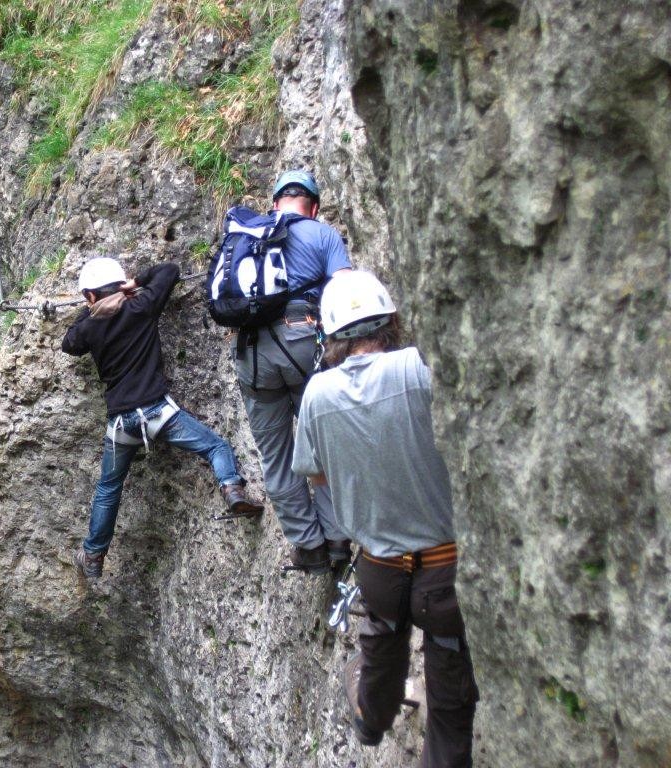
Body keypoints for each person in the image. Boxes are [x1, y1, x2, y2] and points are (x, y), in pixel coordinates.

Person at [291, 270, 478, 766]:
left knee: (382, 640)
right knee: (450, 687)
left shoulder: (316, 396)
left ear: (330, 337)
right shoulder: (419, 369)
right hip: (445, 569)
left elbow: (320, 478)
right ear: (389, 322)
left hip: (379, 568)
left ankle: (372, 721)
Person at [62, 256, 263, 579]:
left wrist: (90, 310)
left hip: (121, 424)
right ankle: (232, 489)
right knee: (215, 447)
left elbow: (69, 343)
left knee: (108, 489)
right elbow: (170, 271)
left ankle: (94, 555)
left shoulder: (89, 327)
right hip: (159, 413)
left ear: (90, 296)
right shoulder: (141, 307)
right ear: (120, 286)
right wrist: (136, 283)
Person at [233, 169, 352, 574]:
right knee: (322, 444)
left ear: (275, 204)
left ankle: (309, 548)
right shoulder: (322, 234)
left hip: (252, 355)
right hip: (304, 343)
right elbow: (345, 290)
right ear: (313, 207)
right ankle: (337, 539)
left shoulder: (249, 234)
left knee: (277, 456)